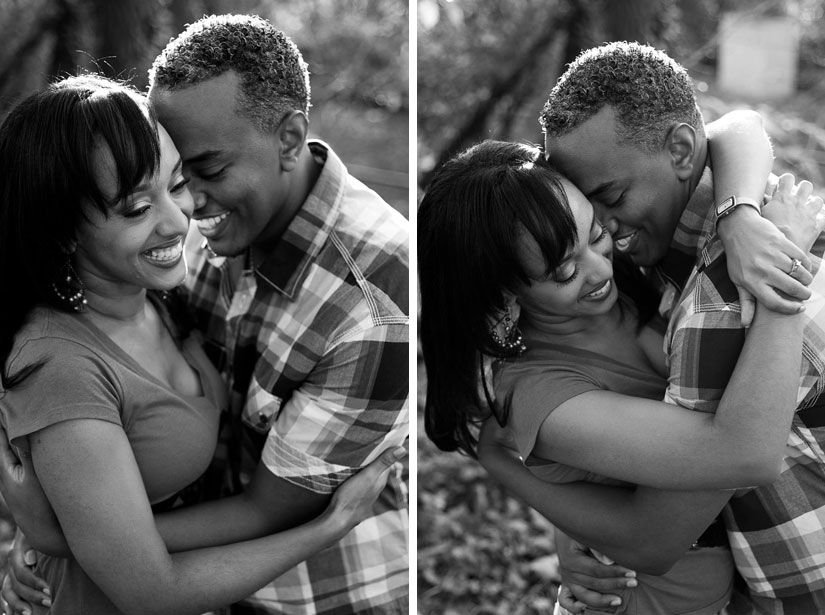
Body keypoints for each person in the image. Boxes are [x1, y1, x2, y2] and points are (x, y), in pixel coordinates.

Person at [2, 13, 410, 615]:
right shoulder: (184, 240)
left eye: (202, 172)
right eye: (164, 180)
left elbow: (271, 507)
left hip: (321, 593)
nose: (186, 207)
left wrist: (69, 537)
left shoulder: (374, 302)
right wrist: (80, 538)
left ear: (290, 140)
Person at [418, 137, 823, 614]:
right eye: (565, 271)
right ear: (504, 297)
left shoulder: (633, 283)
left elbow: (735, 130)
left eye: (594, 236)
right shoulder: (539, 393)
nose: (599, 270)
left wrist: (741, 219)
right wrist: (785, 263)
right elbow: (743, 459)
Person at [507, 41, 825, 614]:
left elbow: (654, 531)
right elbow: (736, 126)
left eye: (609, 198)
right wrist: (737, 212)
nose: (599, 231)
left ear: (681, 149)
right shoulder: (691, 245)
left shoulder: (725, 295)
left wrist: (523, 479)